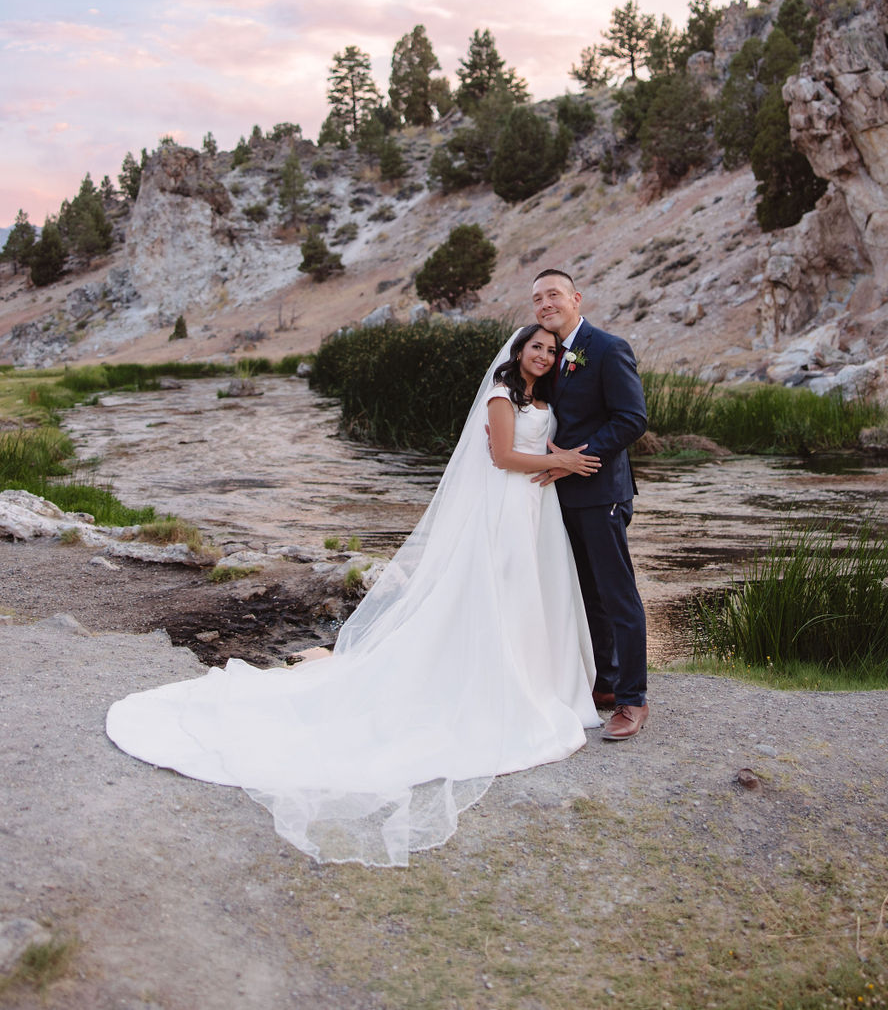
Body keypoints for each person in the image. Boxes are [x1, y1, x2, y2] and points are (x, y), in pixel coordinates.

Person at [106, 324, 602, 867]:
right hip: (506, 509)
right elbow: (504, 457)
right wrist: (563, 463)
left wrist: (557, 457)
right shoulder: (502, 394)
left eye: (552, 350)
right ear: (519, 351)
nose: (545, 355)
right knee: (504, 595)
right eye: (537, 347)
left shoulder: (542, 394)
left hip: (534, 509)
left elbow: (531, 446)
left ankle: (532, 679)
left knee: (527, 597)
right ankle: (502, 686)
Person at [530, 268, 650, 740]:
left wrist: (576, 459)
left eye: (553, 294)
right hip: (559, 496)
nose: (545, 304)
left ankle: (633, 700)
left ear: (576, 298)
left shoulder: (607, 347)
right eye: (537, 299)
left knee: (617, 594)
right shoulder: (546, 353)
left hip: (601, 492)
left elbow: (632, 419)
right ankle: (606, 681)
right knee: (586, 593)